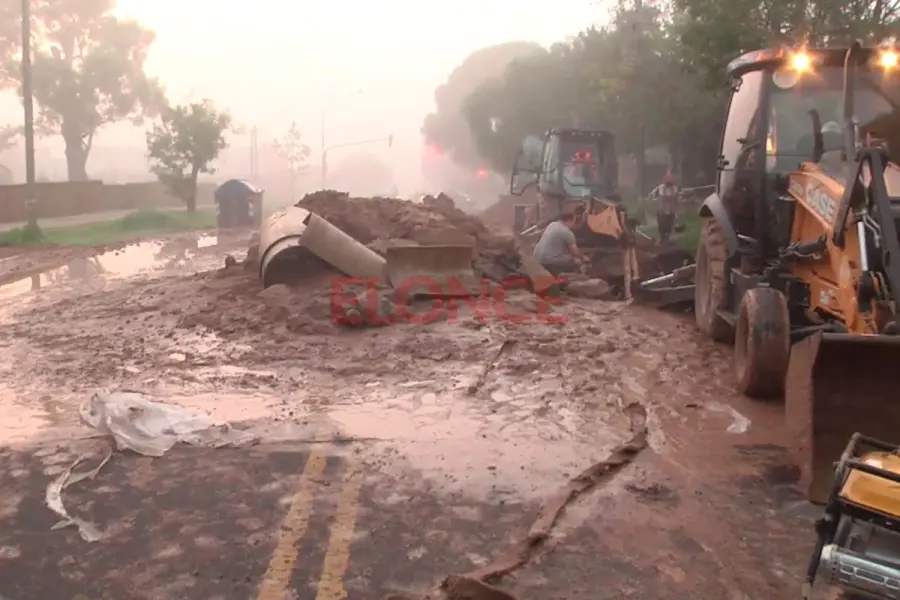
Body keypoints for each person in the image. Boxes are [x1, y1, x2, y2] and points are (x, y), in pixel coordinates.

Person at [648, 172, 679, 244]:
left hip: (671, 211)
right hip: (661, 211)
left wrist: (677, 212)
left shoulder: (675, 189)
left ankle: (667, 240)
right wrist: (654, 201)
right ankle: (662, 239)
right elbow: (652, 195)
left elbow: (676, 201)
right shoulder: (660, 188)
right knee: (661, 226)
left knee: (669, 226)